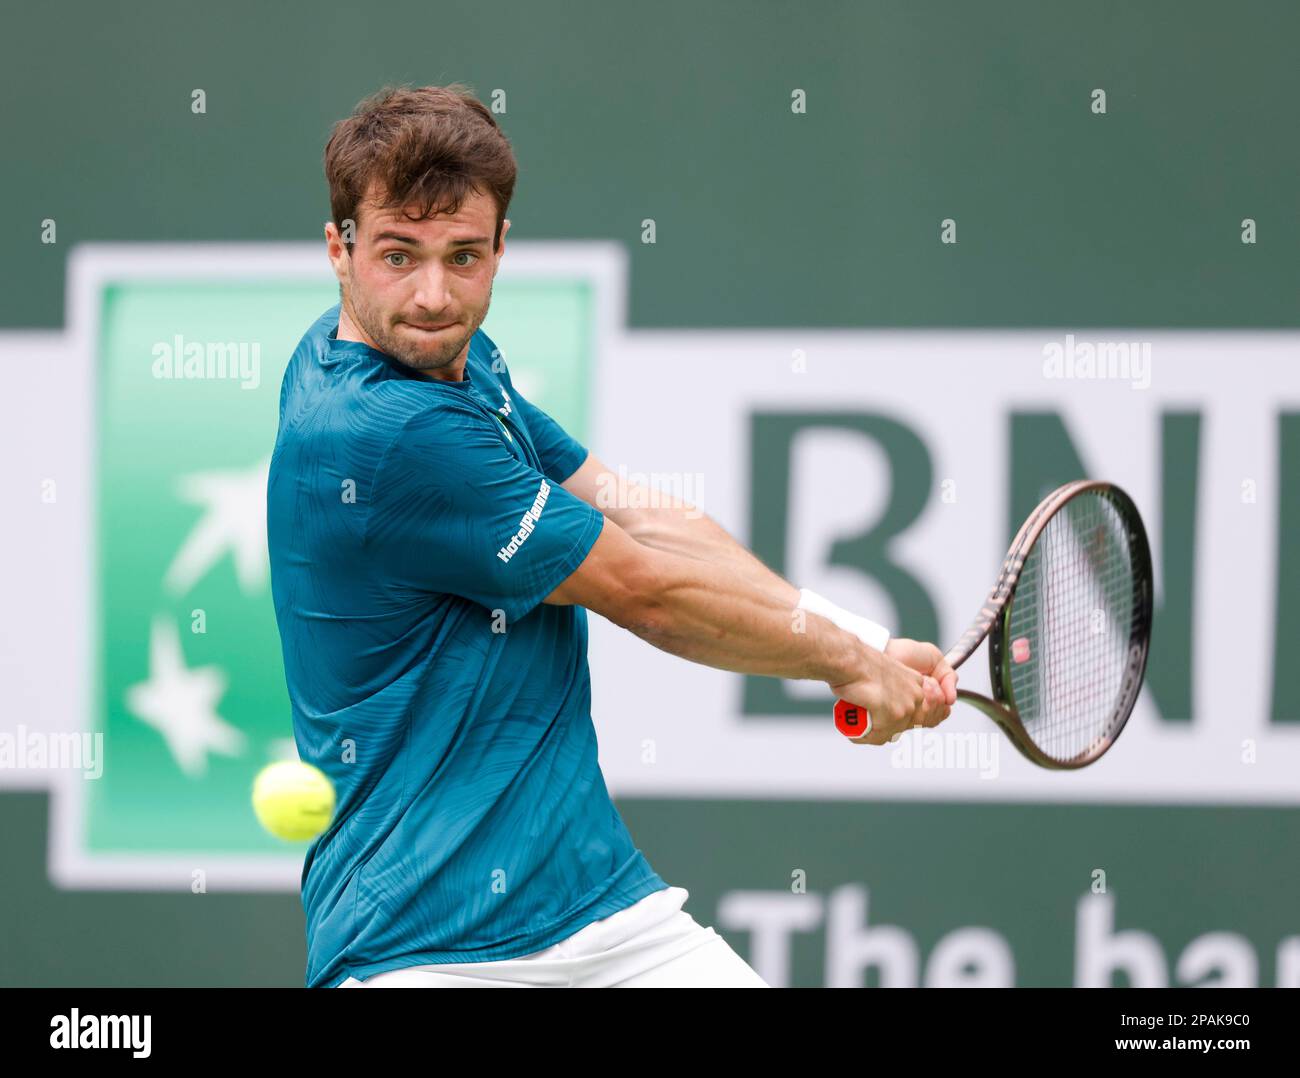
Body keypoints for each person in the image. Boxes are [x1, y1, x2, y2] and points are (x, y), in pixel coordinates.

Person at [267, 83, 956, 989]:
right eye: (399, 255)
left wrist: (862, 641)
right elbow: (647, 589)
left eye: (463, 256)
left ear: (501, 250)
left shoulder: (445, 364)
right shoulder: (390, 431)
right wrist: (844, 665)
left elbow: (637, 510)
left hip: (603, 918)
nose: (433, 295)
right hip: (421, 952)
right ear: (339, 248)